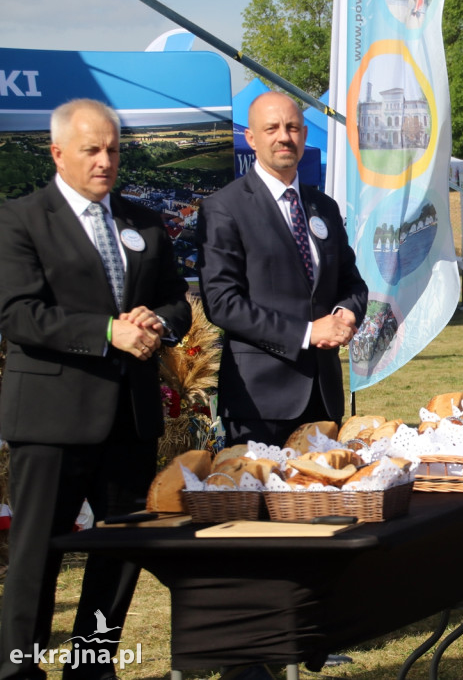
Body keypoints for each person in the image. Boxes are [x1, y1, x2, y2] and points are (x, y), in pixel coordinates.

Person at [0, 98, 191, 679]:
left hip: (130, 418)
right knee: (38, 554)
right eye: (91, 150)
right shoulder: (20, 219)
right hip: (53, 418)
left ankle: (92, 665)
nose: (105, 161)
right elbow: (18, 315)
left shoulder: (144, 223)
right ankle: (18, 669)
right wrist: (108, 331)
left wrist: (158, 323)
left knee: (122, 555)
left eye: (112, 148)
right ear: (58, 153)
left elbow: (179, 303)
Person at [197, 91, 368, 448]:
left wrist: (345, 313)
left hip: (323, 396)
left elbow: (351, 282)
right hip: (260, 404)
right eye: (271, 128)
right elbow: (222, 302)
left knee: (324, 503)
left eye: (292, 127)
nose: (283, 136)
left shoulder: (324, 206)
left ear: (304, 135)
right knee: (260, 505)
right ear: (251, 137)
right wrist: (307, 333)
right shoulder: (224, 208)